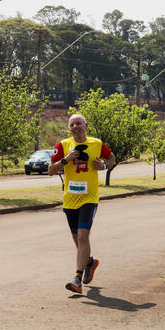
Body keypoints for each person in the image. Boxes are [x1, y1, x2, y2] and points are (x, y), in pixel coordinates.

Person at [49, 114, 115, 294]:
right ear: (69, 128)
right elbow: (50, 170)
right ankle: (89, 262)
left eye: (78, 123)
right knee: (78, 239)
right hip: (70, 199)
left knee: (83, 236)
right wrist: (66, 159)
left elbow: (112, 159)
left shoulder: (97, 143)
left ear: (86, 125)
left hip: (89, 198)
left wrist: (104, 166)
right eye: (72, 125)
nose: (75, 127)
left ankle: (77, 278)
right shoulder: (62, 145)